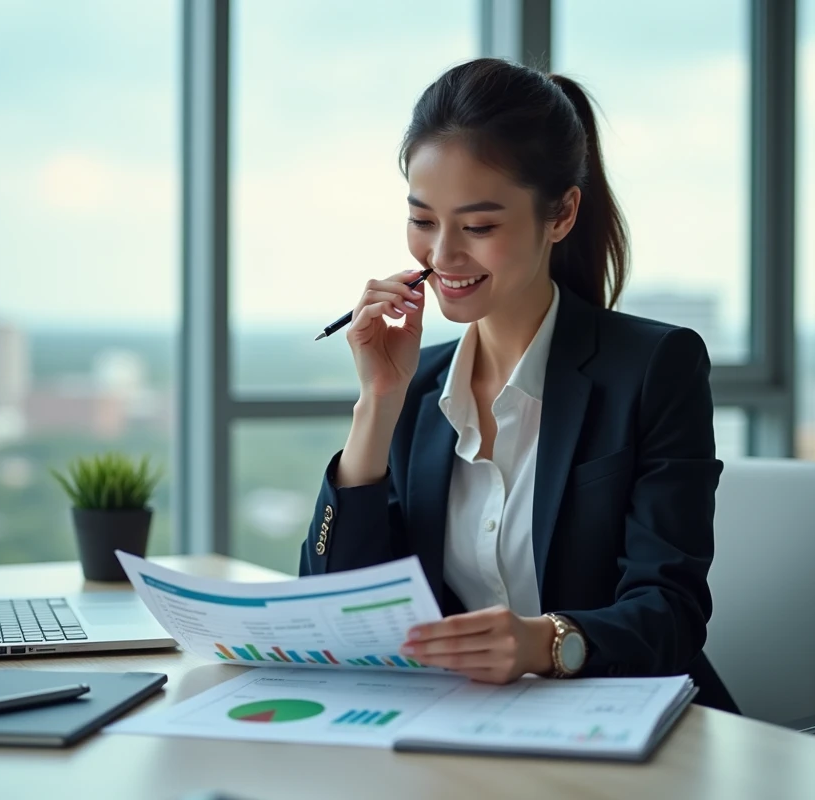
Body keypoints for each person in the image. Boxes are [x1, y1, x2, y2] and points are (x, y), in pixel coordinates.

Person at [300, 57, 738, 713]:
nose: (442, 256)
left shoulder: (654, 367)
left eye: (478, 227)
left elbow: (670, 614)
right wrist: (377, 407)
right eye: (423, 220)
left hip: (627, 731)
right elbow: (336, 610)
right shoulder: (417, 388)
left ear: (559, 215)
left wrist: (543, 643)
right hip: (465, 733)